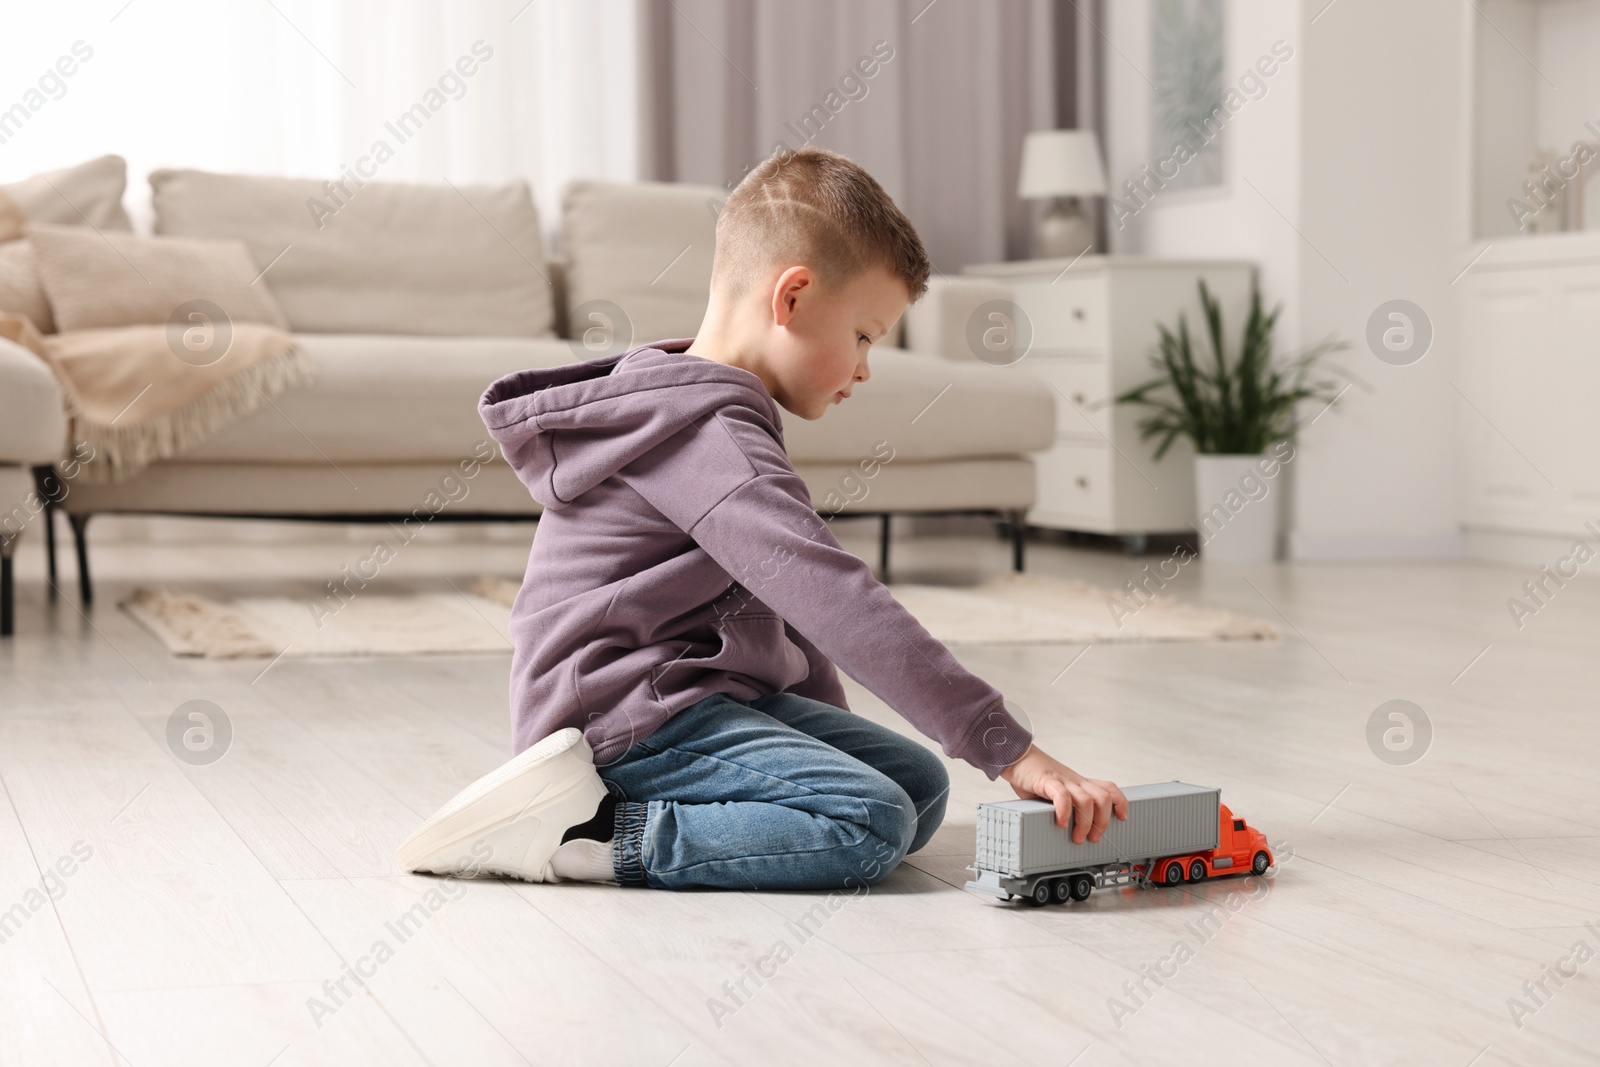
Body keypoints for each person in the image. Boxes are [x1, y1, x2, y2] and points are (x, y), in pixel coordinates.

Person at [396, 146, 1126, 890]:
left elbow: (787, 604)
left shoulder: (712, 412)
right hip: (624, 719)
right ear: (794, 297)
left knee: (917, 786)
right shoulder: (703, 434)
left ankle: (651, 814)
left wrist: (817, 727)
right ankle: (587, 835)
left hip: (695, 694)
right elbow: (831, 594)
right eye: (866, 335)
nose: (867, 368)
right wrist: (1008, 747)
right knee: (871, 820)